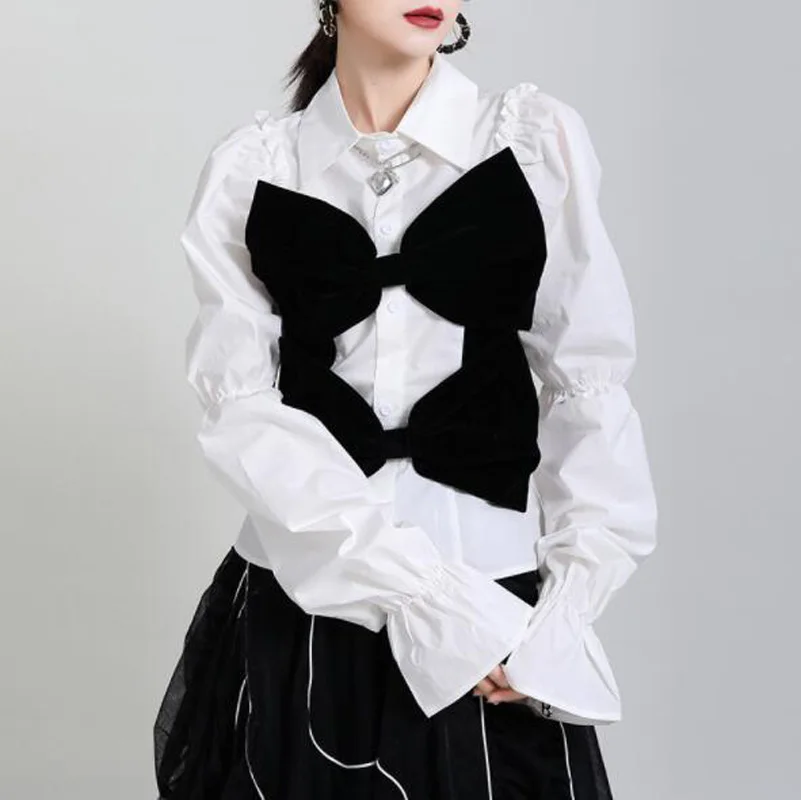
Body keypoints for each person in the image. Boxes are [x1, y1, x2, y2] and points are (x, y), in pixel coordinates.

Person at [153, 1, 658, 798]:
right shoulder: (252, 170)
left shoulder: (531, 141)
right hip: (309, 606)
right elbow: (242, 410)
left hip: (499, 620)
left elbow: (586, 385)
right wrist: (424, 600)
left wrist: (558, 620)